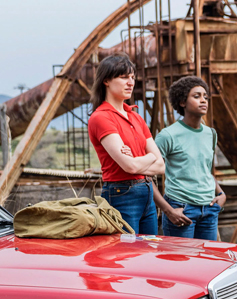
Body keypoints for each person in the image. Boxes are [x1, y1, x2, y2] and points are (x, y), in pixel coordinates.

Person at [87, 53, 164, 235]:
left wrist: (139, 162)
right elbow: (129, 166)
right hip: (122, 194)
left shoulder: (136, 117)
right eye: (123, 77)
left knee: (148, 254)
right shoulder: (101, 117)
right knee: (126, 257)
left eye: (132, 77)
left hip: (147, 193)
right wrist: (150, 157)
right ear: (106, 80)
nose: (130, 82)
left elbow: (161, 166)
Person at [153, 76, 226, 240]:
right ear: (182, 102)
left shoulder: (210, 134)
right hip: (181, 209)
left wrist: (221, 193)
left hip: (209, 209)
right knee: (181, 263)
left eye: (205, 97)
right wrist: (168, 210)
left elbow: (205, 170)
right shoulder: (168, 135)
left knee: (207, 263)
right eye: (197, 96)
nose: (203, 101)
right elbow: (145, 176)